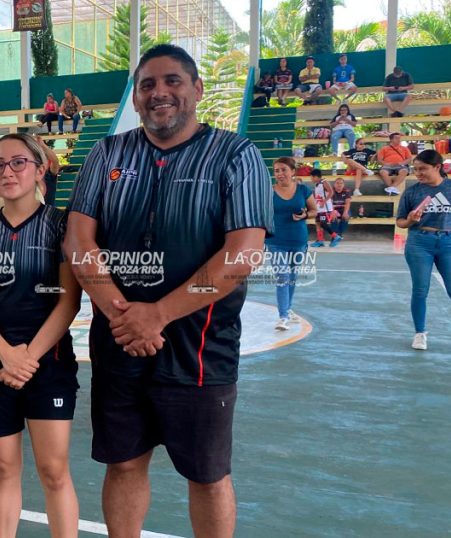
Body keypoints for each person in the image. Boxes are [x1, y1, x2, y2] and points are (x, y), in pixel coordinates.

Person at [64, 44, 272, 538]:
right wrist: (124, 316)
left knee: (208, 475)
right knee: (125, 463)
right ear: (135, 99)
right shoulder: (107, 153)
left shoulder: (235, 154)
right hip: (120, 340)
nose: (160, 92)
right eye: (148, 85)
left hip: (202, 346)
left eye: (173, 81)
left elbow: (243, 252)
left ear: (197, 90)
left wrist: (157, 314)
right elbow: (78, 240)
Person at [0, 133, 81, 538]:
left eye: (18, 163)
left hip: (48, 362)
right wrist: (5, 355)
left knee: (53, 470)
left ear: (39, 169)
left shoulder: (62, 225)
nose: (7, 171)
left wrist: (27, 357)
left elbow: (68, 303)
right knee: (4, 468)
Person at [395, 149, 451, 350]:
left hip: (448, 243)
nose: (418, 173)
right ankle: (419, 333)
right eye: (415, 170)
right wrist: (410, 220)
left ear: (438, 167)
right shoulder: (412, 191)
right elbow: (400, 222)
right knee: (420, 290)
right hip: (419, 243)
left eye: (423, 169)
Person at [267, 157, 317, 331]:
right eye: (276, 171)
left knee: (292, 277)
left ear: (293, 171)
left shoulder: (303, 190)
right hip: (275, 242)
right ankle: (283, 317)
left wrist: (304, 215)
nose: (280, 174)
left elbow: (314, 211)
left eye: (283, 170)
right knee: (283, 276)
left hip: (298, 241)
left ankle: (287, 308)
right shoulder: (268, 191)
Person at [309, 168, 338, 248]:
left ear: (315, 176)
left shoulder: (324, 182)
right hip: (319, 207)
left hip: (325, 207)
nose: (311, 179)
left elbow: (331, 192)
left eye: (311, 177)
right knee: (317, 223)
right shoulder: (317, 185)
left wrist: (324, 201)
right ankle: (320, 240)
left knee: (323, 223)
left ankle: (335, 236)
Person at [329, 177, 353, 245]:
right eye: (337, 183)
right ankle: (335, 236)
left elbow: (348, 203)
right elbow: (329, 204)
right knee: (333, 217)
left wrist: (345, 212)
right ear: (334, 184)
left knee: (346, 216)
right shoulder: (331, 191)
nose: (339, 185)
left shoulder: (346, 191)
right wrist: (332, 212)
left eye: (341, 183)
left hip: (343, 209)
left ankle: (338, 234)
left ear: (343, 185)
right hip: (333, 209)